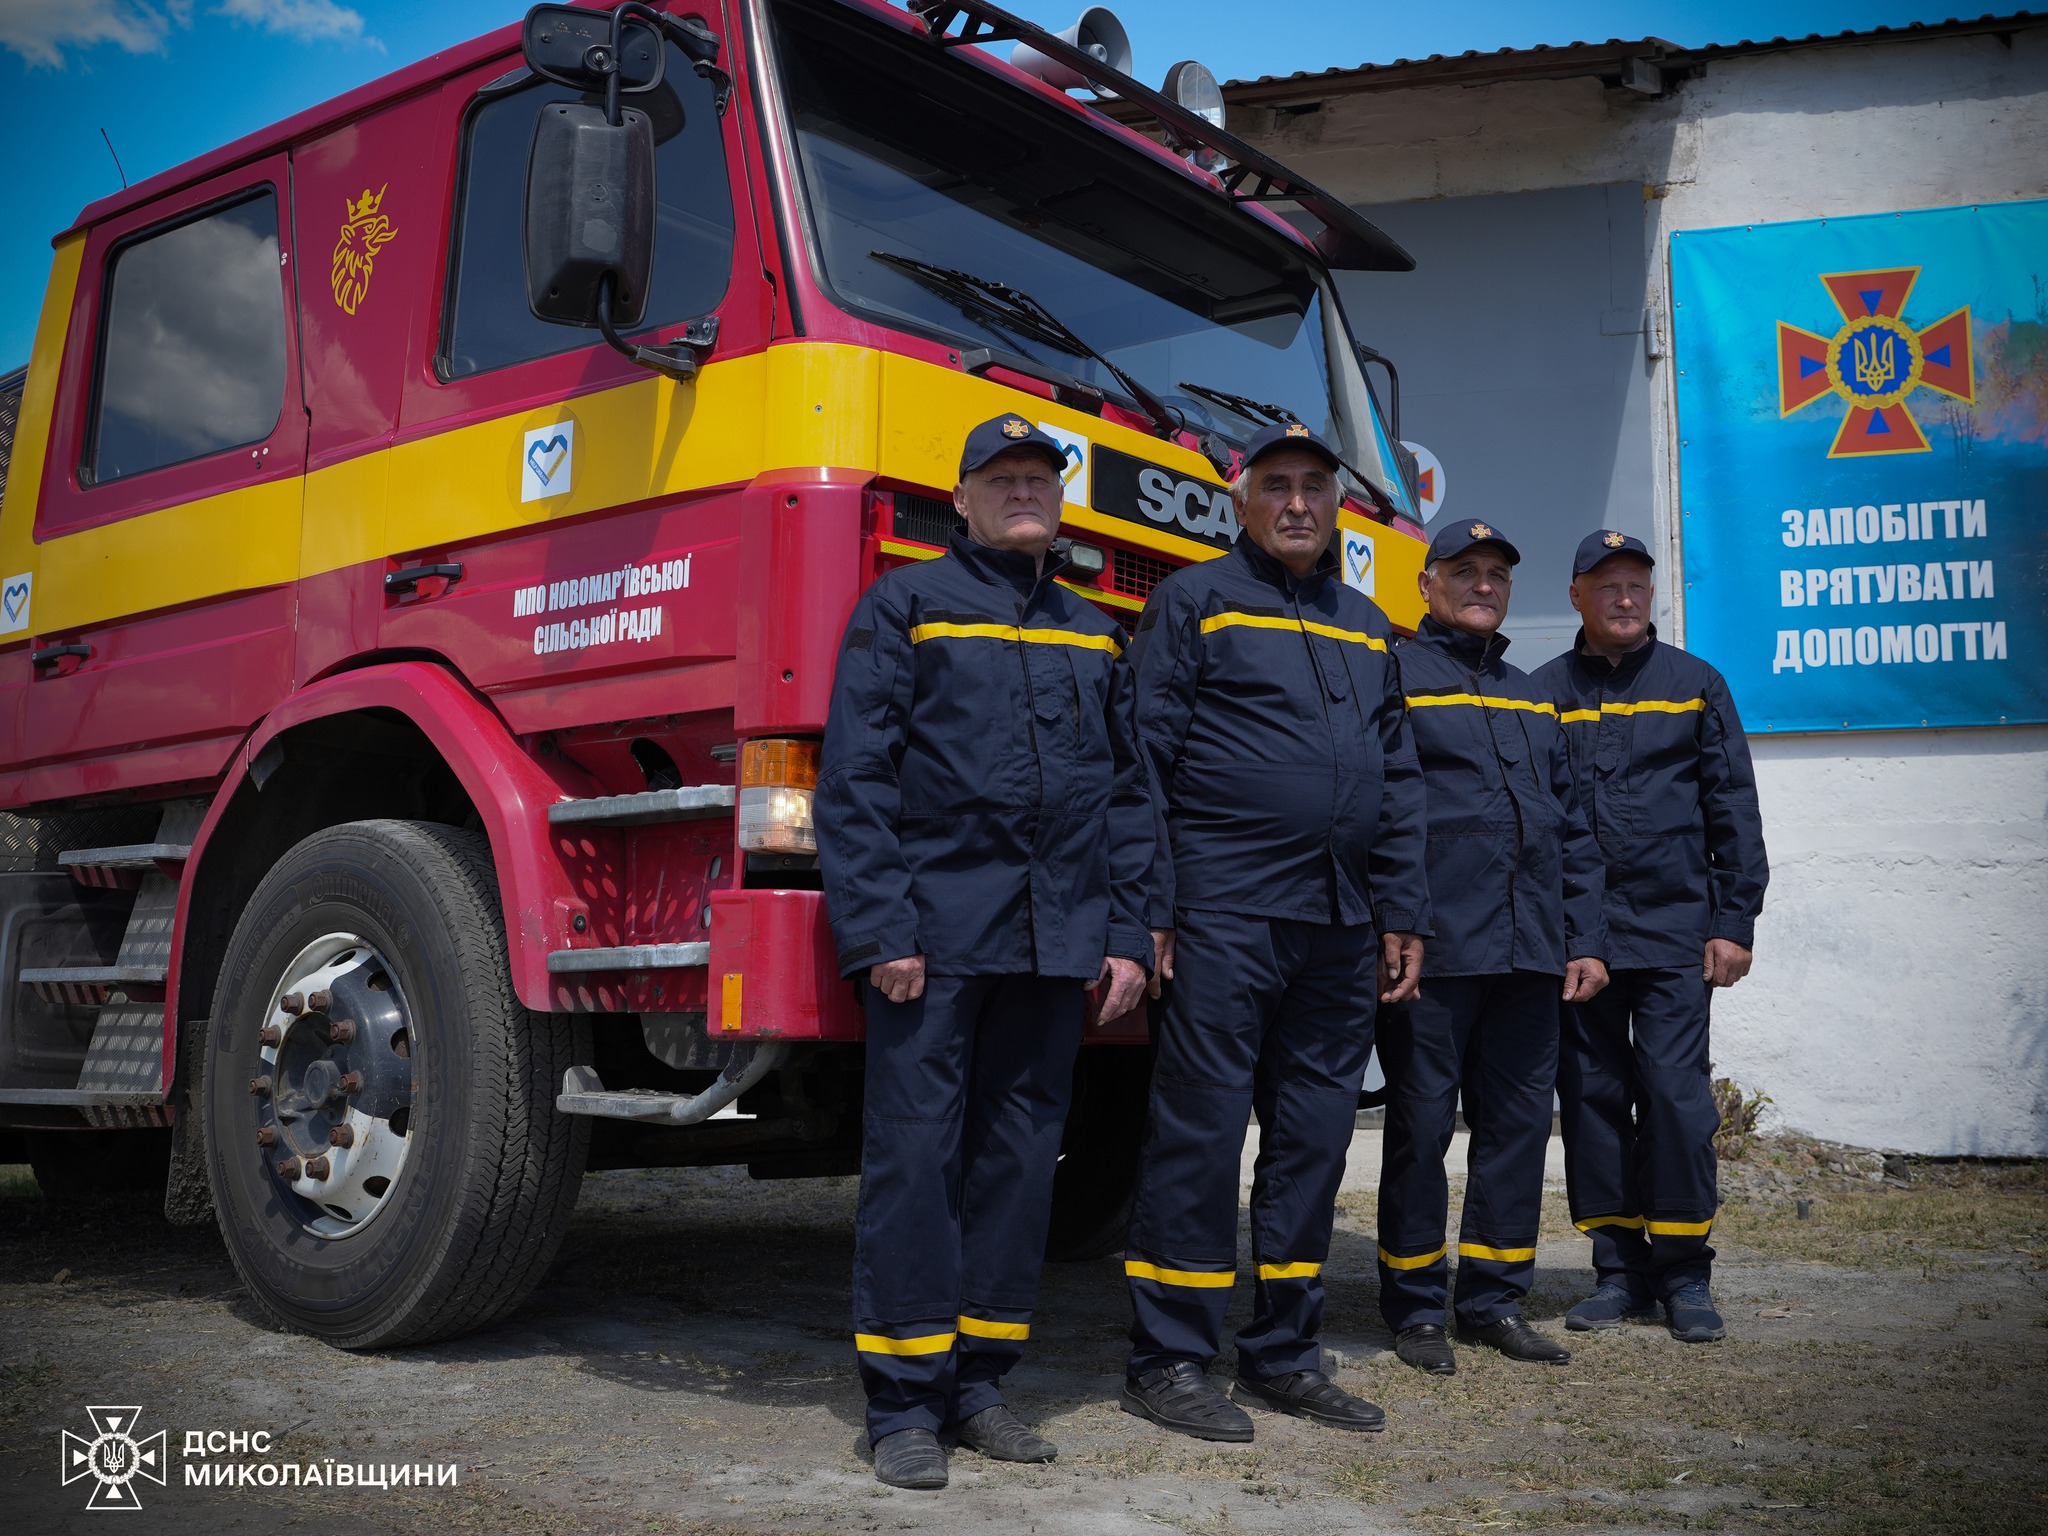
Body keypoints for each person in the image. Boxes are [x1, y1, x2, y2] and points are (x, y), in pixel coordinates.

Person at [816, 415, 1154, 1489]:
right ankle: (905, 1402)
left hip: (1055, 945)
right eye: (1000, 478)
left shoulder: (1094, 629)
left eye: (1038, 480)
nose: (1023, 493)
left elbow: (1127, 797)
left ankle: (980, 1385)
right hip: (937, 940)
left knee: (1017, 1163)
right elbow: (857, 781)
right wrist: (880, 930)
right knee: (916, 1160)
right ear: (957, 500)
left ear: (1058, 504)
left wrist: (1123, 934)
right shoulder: (903, 608)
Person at [1119, 422, 1430, 1443]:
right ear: (1242, 502)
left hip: (1339, 926)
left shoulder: (1366, 623)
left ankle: (1284, 1355)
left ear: (1334, 504)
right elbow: (1144, 767)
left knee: (1311, 1142)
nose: (1297, 503)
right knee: (1199, 1137)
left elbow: (1399, 781)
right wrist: (1151, 906)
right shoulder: (1193, 602)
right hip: (1225, 913)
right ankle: (1169, 1358)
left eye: (1313, 488)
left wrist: (1400, 908)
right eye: (1277, 486)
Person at [1375, 519, 1609, 1378]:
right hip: (1435, 951)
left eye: (1497, 575)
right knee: (1422, 1128)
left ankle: (1492, 1300)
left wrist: (1584, 938)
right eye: (1464, 571)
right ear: (1427, 585)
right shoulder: (1396, 676)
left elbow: (1572, 829)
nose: (1483, 585)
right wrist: (1390, 925)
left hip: (1531, 951)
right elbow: (1384, 814)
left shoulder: (1532, 693)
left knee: (1515, 1130)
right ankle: (1412, 1306)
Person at [1532, 531, 1769, 1345]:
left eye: (1637, 584)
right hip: (1579, 941)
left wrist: (1734, 920)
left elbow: (1732, 807)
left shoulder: (1695, 684)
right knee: (1592, 1100)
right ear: (1576, 596)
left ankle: (1683, 1272)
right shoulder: (1542, 693)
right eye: (1607, 586)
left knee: (1674, 1098)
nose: (1625, 598)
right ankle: (1616, 1269)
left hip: (1674, 933)